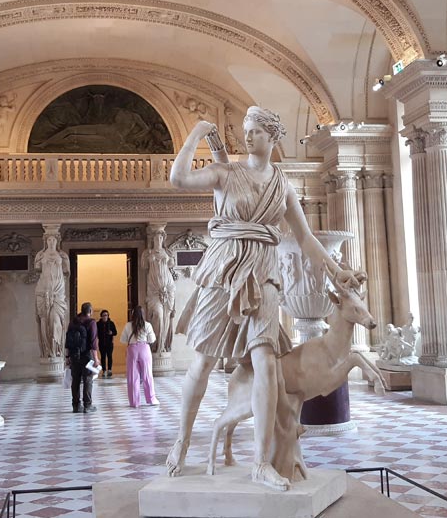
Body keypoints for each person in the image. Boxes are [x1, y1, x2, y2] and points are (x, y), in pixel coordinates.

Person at [165, 108, 365, 491]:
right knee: (204, 361)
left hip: (264, 273)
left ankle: (260, 462)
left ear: (273, 137)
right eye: (246, 131)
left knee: (267, 364)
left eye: (257, 131)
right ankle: (182, 442)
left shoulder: (282, 185)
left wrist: (335, 271)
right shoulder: (227, 173)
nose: (249, 136)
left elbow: (306, 239)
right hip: (224, 269)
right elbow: (178, 178)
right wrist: (195, 134)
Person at [65, 301, 100, 413]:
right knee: (88, 379)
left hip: (74, 354)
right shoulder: (91, 322)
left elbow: (67, 340)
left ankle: (76, 405)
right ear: (90, 311)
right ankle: (87, 405)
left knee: (75, 379)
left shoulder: (73, 322)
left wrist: (67, 356)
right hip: (86, 354)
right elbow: (93, 342)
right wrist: (96, 358)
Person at [121, 305, 158, 407]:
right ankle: (151, 399)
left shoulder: (128, 325)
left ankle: (134, 402)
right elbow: (152, 339)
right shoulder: (147, 325)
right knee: (147, 375)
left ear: (132, 314)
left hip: (132, 350)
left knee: (132, 376)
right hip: (144, 349)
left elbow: (123, 340)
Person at [96, 309, 118, 378]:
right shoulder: (98, 324)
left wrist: (111, 333)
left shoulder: (111, 323)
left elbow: (115, 332)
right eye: (104, 315)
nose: (105, 317)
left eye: (106, 315)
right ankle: (104, 370)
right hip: (102, 343)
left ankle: (109, 370)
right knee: (103, 357)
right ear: (101, 316)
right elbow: (96, 333)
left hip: (109, 343)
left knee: (109, 356)